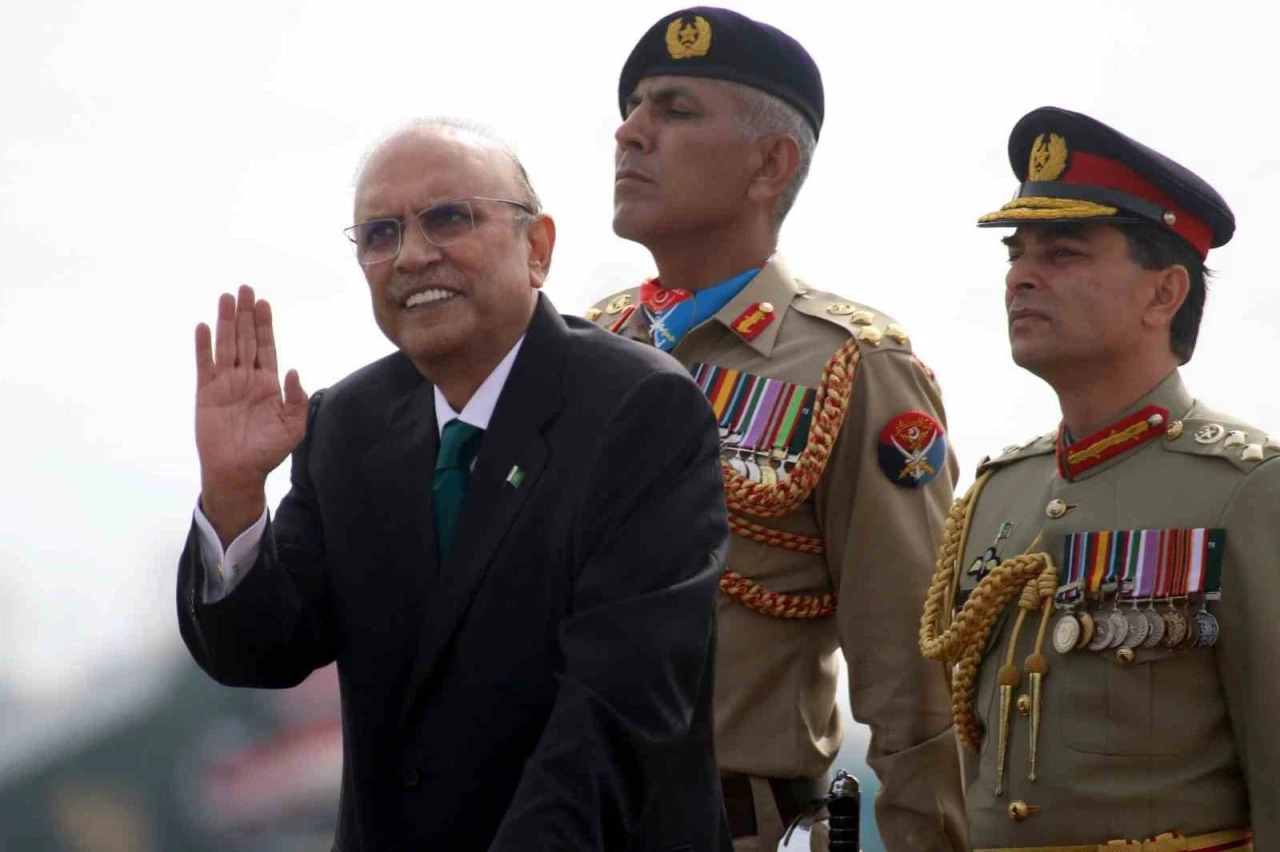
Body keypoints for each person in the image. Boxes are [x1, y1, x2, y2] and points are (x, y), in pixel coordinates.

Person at [176, 120, 733, 851]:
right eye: (380, 234)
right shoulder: (346, 425)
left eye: (448, 218)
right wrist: (233, 495)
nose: (412, 255)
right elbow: (260, 652)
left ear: (537, 249)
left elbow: (620, 704)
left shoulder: (640, 410)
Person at [584, 8, 966, 851]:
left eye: (674, 110)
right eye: (634, 107)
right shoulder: (584, 350)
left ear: (771, 165)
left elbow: (913, 675)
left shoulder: (852, 367)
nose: (630, 132)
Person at [919, 106, 1277, 850]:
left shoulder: (1248, 490)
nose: (1020, 277)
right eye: (1016, 253)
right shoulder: (997, 492)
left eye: (1064, 253)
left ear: (1164, 294)